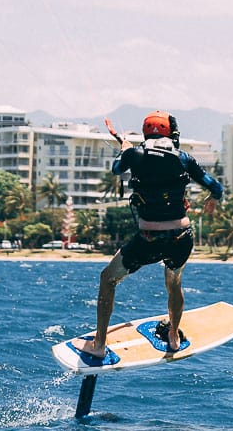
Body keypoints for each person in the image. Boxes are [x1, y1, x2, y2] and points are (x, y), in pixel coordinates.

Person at [78, 111, 224, 363]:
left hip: (148, 240)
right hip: (181, 238)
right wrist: (212, 199)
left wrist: (124, 147)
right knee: (174, 282)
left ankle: (99, 345)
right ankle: (174, 337)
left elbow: (116, 169)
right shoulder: (184, 158)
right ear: (170, 134)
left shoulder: (135, 154)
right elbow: (216, 187)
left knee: (108, 279)